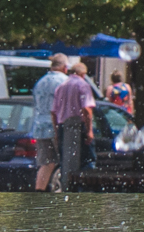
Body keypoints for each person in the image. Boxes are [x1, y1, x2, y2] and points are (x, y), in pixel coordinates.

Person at [51, 61, 97, 188]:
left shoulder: (61, 86)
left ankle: (68, 186)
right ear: (82, 74)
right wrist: (89, 130)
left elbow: (53, 112)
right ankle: (84, 188)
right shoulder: (82, 85)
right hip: (78, 126)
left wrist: (56, 132)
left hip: (62, 126)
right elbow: (87, 109)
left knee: (66, 161)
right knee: (86, 160)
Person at [31, 53, 70, 191]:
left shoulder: (40, 82)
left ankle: (38, 194)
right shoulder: (65, 81)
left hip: (40, 126)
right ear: (65, 67)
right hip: (57, 126)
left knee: (46, 163)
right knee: (66, 162)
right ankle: (65, 192)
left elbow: (35, 104)